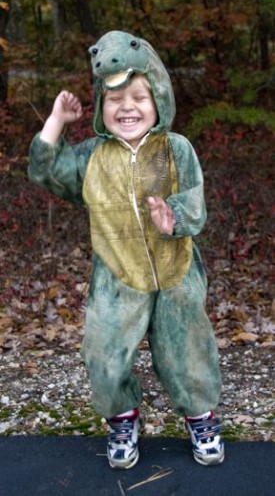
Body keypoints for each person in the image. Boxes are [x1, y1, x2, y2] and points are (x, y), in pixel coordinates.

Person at [28, 30, 225, 469]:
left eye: (138, 96)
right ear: (100, 108)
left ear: (158, 99)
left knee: (187, 352)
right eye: (114, 101)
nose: (127, 108)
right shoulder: (91, 157)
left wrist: (174, 217)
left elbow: (195, 200)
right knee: (103, 353)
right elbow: (47, 172)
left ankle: (201, 417)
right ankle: (122, 418)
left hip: (177, 275)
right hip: (117, 279)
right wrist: (58, 120)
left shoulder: (176, 150)